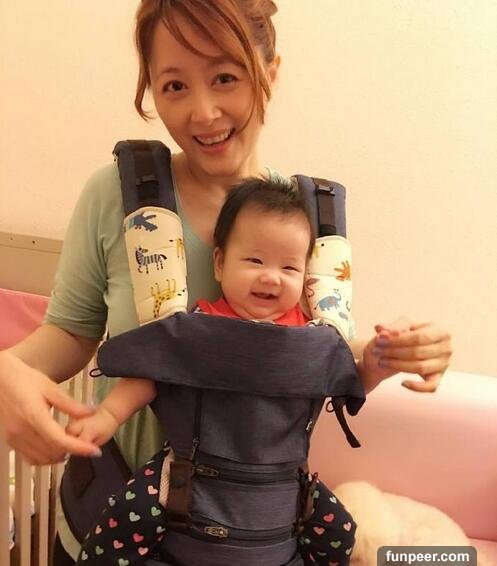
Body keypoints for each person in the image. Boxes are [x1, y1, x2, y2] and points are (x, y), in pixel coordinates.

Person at [0, 1, 452, 564]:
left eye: (225, 78)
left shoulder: (304, 221)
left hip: (249, 537)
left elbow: (316, 352)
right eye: (174, 86)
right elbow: (69, 332)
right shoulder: (116, 197)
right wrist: (6, 373)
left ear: (270, 72)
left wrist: (393, 352)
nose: (204, 113)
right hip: (113, 521)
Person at [70, 177, 357, 565]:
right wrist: (107, 415)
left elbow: (347, 376)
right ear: (219, 264)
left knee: (342, 530)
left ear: (306, 277)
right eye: (255, 261)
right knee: (122, 517)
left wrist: (380, 361)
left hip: (281, 477)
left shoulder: (312, 337)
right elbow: (153, 372)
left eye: (289, 267)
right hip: (189, 470)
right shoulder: (198, 326)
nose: (271, 276)